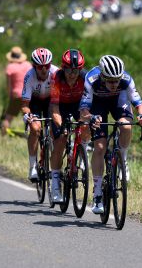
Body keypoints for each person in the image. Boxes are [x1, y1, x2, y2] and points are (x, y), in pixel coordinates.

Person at [79, 55, 142, 214]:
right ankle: (97, 195)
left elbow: (140, 105)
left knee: (125, 126)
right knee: (100, 146)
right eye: (110, 81)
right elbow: (84, 111)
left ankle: (123, 159)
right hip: (97, 104)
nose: (114, 84)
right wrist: (91, 118)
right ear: (102, 76)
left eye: (116, 80)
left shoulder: (126, 80)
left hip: (119, 100)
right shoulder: (91, 79)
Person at [49, 49, 90, 202]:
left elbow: (89, 105)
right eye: (68, 70)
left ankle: (81, 150)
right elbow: (54, 108)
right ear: (63, 68)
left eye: (76, 70)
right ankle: (55, 184)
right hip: (60, 107)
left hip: (78, 105)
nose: (72, 74)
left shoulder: (85, 78)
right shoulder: (57, 78)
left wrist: (85, 120)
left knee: (86, 127)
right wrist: (61, 125)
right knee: (61, 139)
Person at [21, 48, 59, 181]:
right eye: (40, 67)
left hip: (51, 102)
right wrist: (28, 116)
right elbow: (25, 105)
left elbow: (59, 99)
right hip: (34, 103)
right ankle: (32, 166)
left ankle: (55, 167)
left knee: (57, 131)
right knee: (35, 128)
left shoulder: (56, 73)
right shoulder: (29, 76)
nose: (44, 69)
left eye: (47, 66)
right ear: (34, 66)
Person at [0, 46, 32, 136]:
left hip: (16, 94)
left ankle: (3, 135)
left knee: (8, 116)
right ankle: (30, 134)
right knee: (28, 116)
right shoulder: (27, 64)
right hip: (28, 94)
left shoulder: (10, 67)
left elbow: (9, 84)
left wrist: (9, 94)